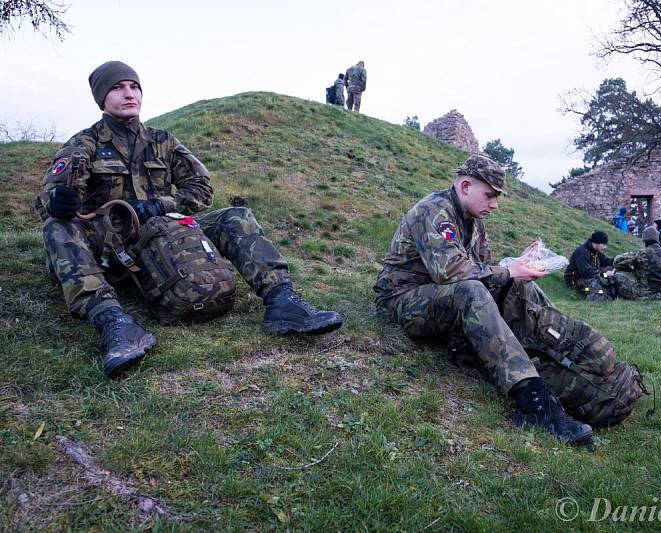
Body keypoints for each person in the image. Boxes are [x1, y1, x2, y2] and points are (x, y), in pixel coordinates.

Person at [34, 61, 343, 379]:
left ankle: (283, 301)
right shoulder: (85, 144)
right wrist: (57, 202)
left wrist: (159, 205)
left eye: (134, 86)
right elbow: (48, 198)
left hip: (165, 238)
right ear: (102, 98)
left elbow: (202, 188)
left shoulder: (162, 141)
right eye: (118, 87)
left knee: (235, 216)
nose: (129, 93)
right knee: (58, 227)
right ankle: (114, 323)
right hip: (111, 248)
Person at [373, 154, 595, 444]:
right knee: (473, 291)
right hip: (401, 300)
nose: (495, 205)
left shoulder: (473, 221)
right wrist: (507, 271)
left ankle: (560, 346)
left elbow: (486, 268)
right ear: (465, 186)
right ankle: (533, 403)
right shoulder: (434, 211)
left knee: (516, 285)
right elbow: (449, 272)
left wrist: (517, 266)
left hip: (440, 299)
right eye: (490, 195)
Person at [612, 225, 661, 300]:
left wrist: (631, 269)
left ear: (644, 240)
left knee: (618, 276)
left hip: (645, 294)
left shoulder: (642, 253)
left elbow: (617, 261)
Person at [563, 231, 615, 298]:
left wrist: (619, 259)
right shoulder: (582, 253)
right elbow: (587, 273)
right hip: (576, 279)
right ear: (598, 243)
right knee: (601, 291)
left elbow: (607, 261)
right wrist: (605, 274)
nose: (605, 247)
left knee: (611, 267)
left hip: (591, 274)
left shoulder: (595, 251)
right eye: (604, 244)